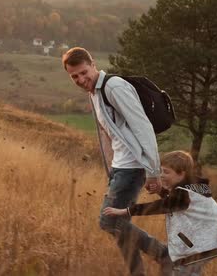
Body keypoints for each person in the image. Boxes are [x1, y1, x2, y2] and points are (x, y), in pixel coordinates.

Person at [62, 47, 161, 276]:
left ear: (93, 64)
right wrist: (111, 169)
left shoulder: (114, 87)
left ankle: (165, 255)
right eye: (74, 76)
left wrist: (153, 170)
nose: (80, 79)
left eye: (83, 72)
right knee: (118, 227)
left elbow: (142, 126)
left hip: (132, 167)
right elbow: (108, 134)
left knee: (108, 222)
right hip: (121, 168)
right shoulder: (94, 93)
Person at [103, 151, 217, 276]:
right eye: (161, 171)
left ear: (182, 174)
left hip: (206, 242)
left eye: (167, 172)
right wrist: (160, 191)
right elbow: (175, 202)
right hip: (210, 239)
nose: (162, 175)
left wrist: (126, 210)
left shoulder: (185, 193)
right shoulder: (190, 188)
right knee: (183, 265)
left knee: (183, 267)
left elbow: (164, 206)